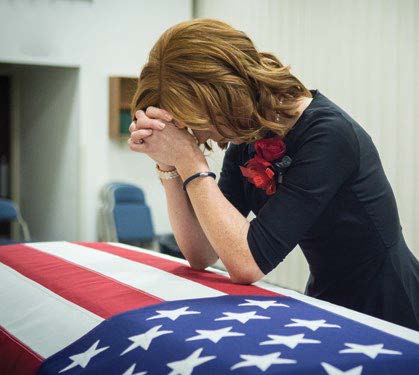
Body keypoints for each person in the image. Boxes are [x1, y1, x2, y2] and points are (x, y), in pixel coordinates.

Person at [127, 19, 419, 331]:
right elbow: (202, 253)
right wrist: (168, 166)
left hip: (390, 307)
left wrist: (189, 160)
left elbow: (248, 263)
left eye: (192, 122)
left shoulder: (329, 135)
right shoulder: (247, 135)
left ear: (223, 95)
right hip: (327, 300)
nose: (196, 136)